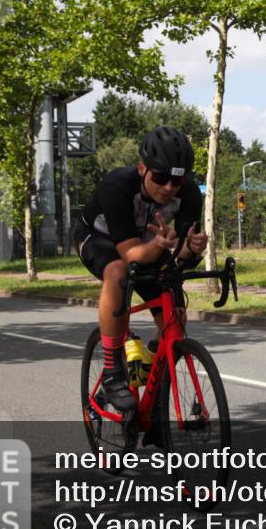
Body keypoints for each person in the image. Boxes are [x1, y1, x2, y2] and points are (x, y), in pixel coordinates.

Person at [73, 126, 208, 412]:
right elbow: (131, 254)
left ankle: (147, 366)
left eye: (177, 180)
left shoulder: (189, 193)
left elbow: (182, 253)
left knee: (177, 316)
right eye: (160, 178)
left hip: (150, 242)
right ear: (142, 168)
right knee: (117, 272)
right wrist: (159, 245)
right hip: (100, 238)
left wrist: (193, 246)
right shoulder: (118, 186)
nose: (169, 187)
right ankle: (113, 372)